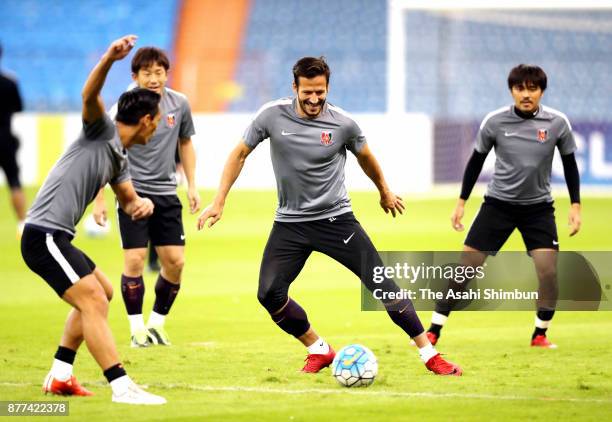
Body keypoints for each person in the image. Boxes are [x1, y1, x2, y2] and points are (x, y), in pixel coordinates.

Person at [197, 57, 462, 376]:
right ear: (294, 87)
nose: (313, 99)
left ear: (328, 88)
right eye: (307, 91)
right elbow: (239, 154)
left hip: (337, 222)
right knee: (268, 294)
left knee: (381, 284)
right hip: (290, 224)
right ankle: (318, 349)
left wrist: (384, 191)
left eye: (320, 92)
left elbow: (366, 158)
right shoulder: (270, 115)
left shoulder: (343, 123)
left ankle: (430, 355)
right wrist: (219, 200)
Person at [20, 35, 166, 404]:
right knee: (93, 302)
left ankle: (61, 374)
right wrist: (109, 58)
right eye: (158, 121)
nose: (159, 127)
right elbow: (89, 95)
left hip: (59, 237)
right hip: (44, 236)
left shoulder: (119, 158)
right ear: (146, 120)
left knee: (102, 292)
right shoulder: (101, 130)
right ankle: (121, 386)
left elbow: (130, 202)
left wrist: (141, 207)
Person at [426, 64, 581, 349]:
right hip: (497, 206)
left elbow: (570, 163)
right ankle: (434, 330)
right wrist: (461, 203)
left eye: (532, 89)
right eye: (520, 88)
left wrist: (575, 205)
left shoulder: (558, 123)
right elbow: (476, 161)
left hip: (539, 209)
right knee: (466, 268)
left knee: (548, 272)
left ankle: (540, 334)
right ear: (511, 90)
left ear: (541, 91)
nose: (526, 94)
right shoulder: (495, 122)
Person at [93, 46, 199, 347]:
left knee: (175, 262)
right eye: (147, 73)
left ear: (167, 73)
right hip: (131, 192)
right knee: (136, 260)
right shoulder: (123, 109)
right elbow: (105, 153)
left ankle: (156, 324)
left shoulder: (179, 103)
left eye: (159, 72)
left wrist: (191, 184)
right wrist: (100, 199)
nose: (154, 78)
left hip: (166, 192)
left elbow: (186, 142)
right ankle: (136, 328)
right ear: (135, 76)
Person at [0, 42, 27, 236]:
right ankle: (21, 223)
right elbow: (19, 107)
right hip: (4, 138)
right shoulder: (10, 82)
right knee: (14, 182)